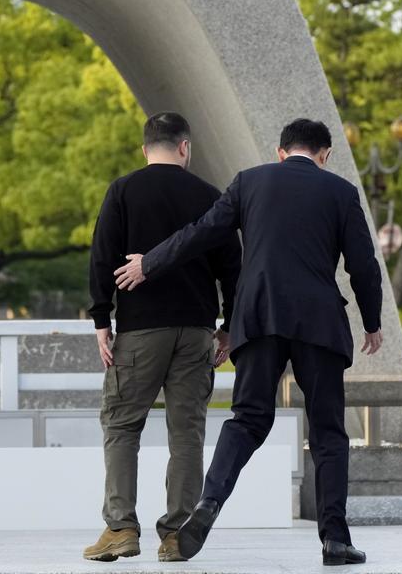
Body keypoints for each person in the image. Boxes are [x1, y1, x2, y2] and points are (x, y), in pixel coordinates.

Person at [114, 117, 383, 567]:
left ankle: (208, 504)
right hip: (318, 321)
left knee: (247, 419)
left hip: (259, 316)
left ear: (280, 152)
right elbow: (364, 266)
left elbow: (199, 234)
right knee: (328, 431)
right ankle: (335, 539)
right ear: (325, 155)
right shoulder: (340, 192)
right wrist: (372, 321)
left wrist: (150, 263)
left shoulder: (249, 182)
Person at [82, 111, 242, 563]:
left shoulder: (124, 191)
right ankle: (176, 535)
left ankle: (120, 527)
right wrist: (228, 326)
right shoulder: (211, 196)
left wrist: (101, 319)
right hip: (195, 331)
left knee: (122, 424)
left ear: (145, 148)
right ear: (185, 148)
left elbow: (101, 257)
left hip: (140, 329)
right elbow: (234, 267)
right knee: (186, 432)